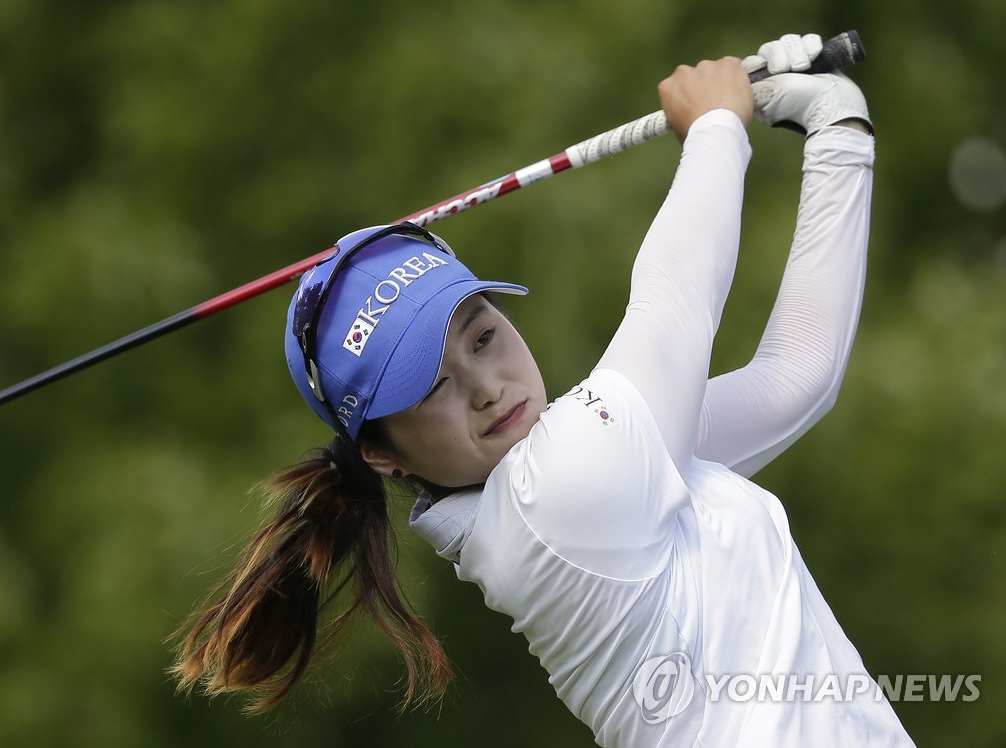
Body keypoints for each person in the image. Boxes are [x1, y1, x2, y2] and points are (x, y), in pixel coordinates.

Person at [173, 33, 915, 746]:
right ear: (382, 454)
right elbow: (675, 301)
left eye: (482, 337)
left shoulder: (598, 466)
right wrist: (717, 125)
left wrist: (836, 128)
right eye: (431, 388)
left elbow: (793, 379)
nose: (486, 388)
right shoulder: (556, 494)